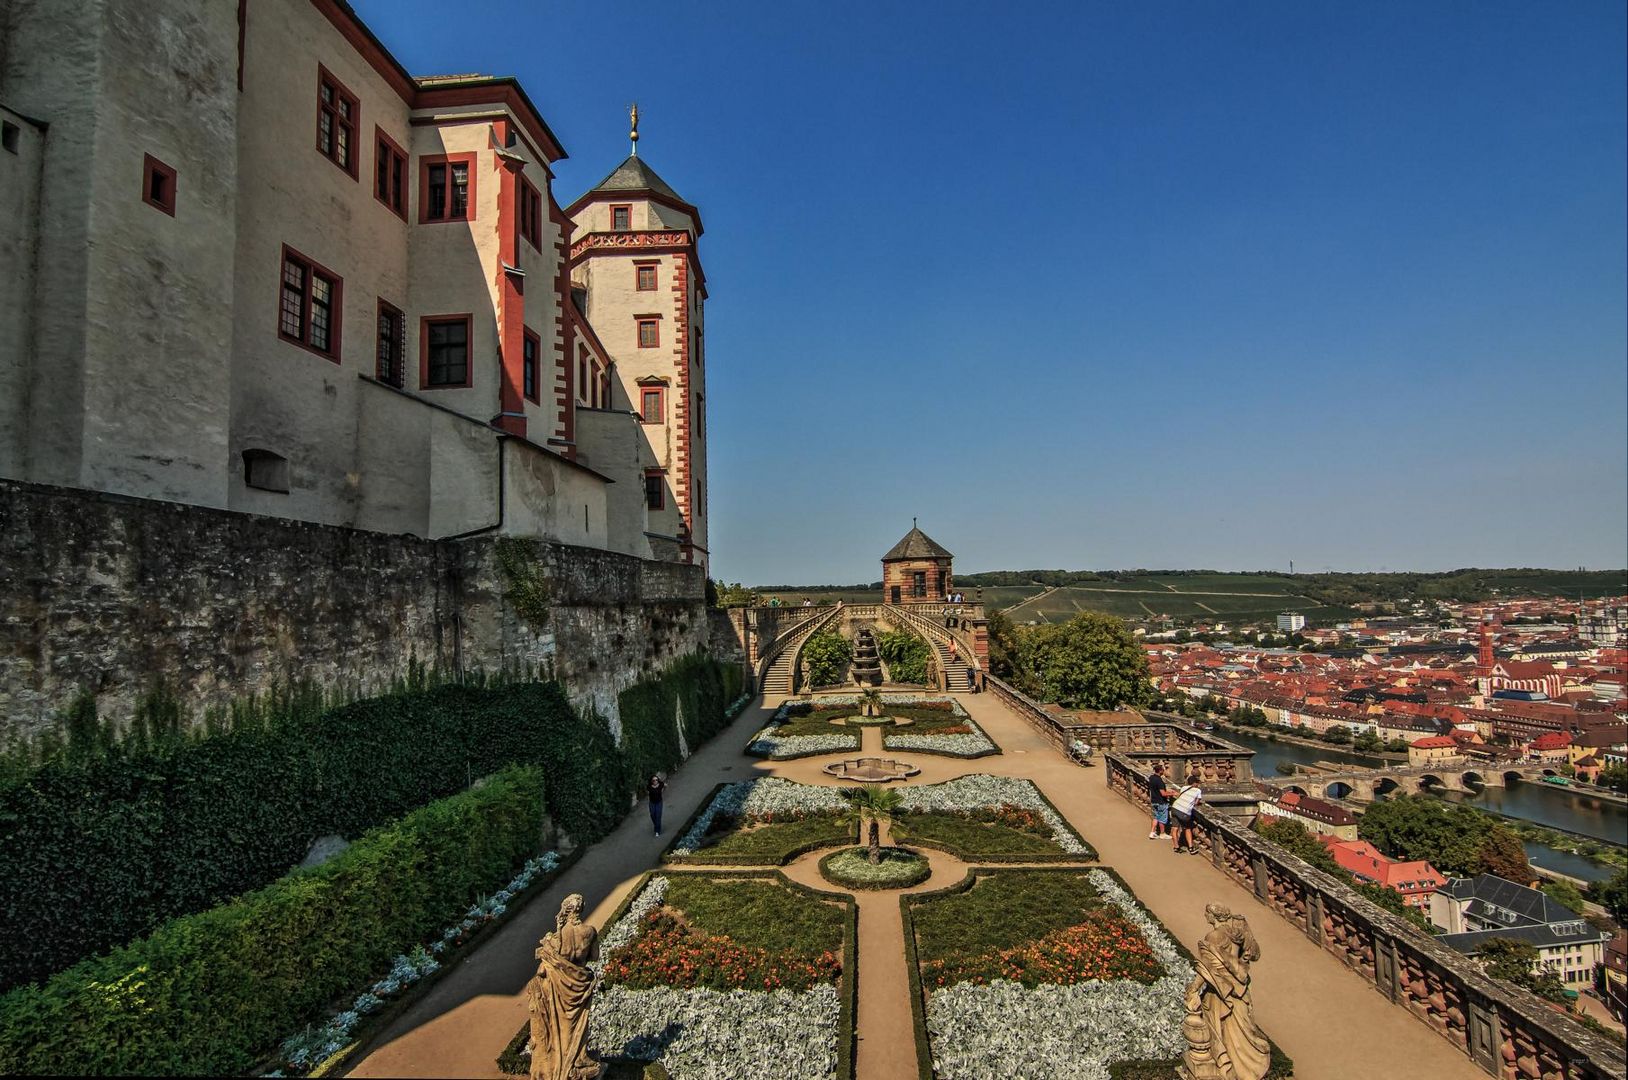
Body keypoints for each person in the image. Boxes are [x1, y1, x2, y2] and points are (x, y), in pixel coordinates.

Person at [526, 894, 599, 1080]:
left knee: (560, 1025)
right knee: (578, 1026)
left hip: (559, 988)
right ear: (581, 909)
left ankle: (561, 1065)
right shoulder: (589, 931)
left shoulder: (555, 939)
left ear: (565, 911)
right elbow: (594, 957)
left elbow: (543, 967)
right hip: (580, 983)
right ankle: (576, 1061)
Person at [1171, 772, 1204, 853]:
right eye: (1197, 783)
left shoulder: (1184, 788)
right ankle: (1190, 847)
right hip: (1184, 811)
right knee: (1187, 828)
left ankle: (1176, 847)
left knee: (1174, 828)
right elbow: (1196, 803)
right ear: (1194, 783)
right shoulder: (1198, 790)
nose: (1198, 784)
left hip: (1175, 807)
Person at [1147, 764, 1172, 840]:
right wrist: (1172, 793)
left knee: (1155, 817)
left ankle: (1152, 832)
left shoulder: (1151, 778)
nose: (1164, 771)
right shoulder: (1159, 781)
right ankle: (1162, 833)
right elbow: (1163, 794)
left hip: (1154, 801)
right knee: (1162, 818)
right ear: (1160, 771)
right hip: (1161, 802)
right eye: (1163, 770)